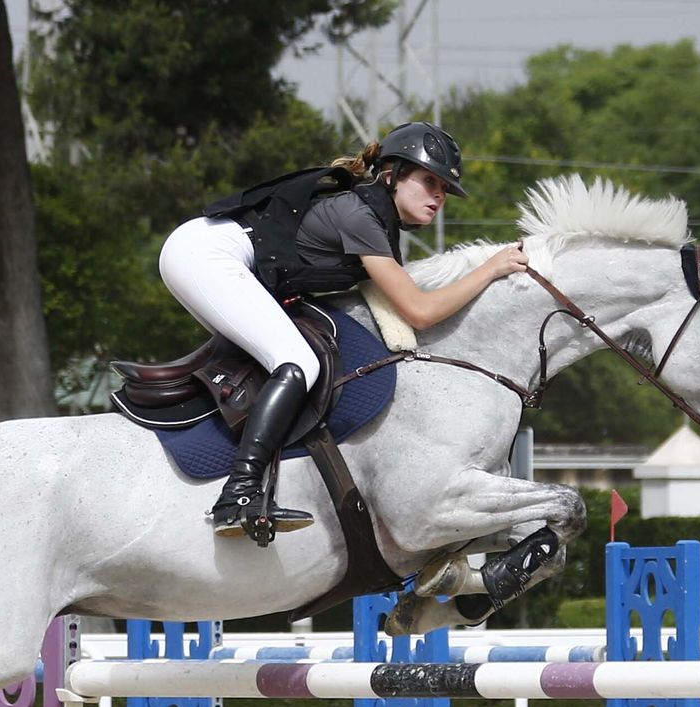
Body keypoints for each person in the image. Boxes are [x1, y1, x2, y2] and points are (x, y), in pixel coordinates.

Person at [160, 121, 529, 541]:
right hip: (206, 254)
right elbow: (420, 312)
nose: (439, 196)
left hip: (208, 255)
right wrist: (491, 268)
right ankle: (239, 493)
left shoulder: (374, 220)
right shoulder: (360, 216)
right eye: (429, 181)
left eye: (444, 189)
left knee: (278, 358)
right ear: (390, 174)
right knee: (296, 360)